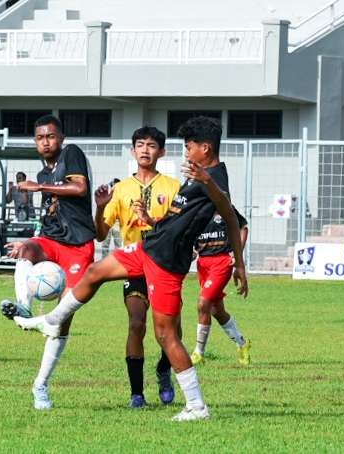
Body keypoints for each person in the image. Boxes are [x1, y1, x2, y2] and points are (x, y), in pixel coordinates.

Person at [14, 116, 249, 422]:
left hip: (166, 263)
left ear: (205, 148)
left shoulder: (214, 178)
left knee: (166, 336)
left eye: (189, 147)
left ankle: (197, 406)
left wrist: (239, 263)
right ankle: (52, 320)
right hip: (148, 245)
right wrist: (151, 222)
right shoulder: (199, 175)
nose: (186, 152)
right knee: (96, 272)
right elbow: (179, 218)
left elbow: (230, 216)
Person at [0, 115, 96, 411]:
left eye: (51, 136)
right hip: (52, 241)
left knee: (62, 323)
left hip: (79, 246)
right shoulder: (43, 173)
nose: (46, 142)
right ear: (35, 142)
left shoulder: (72, 155)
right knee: (25, 250)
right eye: (40, 138)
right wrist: (31, 242)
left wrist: (39, 189)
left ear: (61, 137)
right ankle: (24, 308)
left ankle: (40, 385)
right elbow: (53, 213)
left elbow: (79, 189)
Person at [94, 126, 181, 408]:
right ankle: (136, 394)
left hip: (166, 266)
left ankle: (164, 370)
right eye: (140, 145)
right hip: (135, 267)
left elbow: (179, 228)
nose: (145, 150)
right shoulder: (120, 190)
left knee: (170, 332)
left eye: (152, 145)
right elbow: (101, 234)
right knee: (136, 323)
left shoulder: (173, 187)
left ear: (162, 152)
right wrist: (99, 207)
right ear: (133, 151)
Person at [190, 206, 251, 366]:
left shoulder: (222, 203)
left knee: (203, 304)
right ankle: (242, 344)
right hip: (203, 264)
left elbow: (243, 228)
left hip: (222, 262)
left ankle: (198, 353)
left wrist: (237, 255)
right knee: (216, 310)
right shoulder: (194, 205)